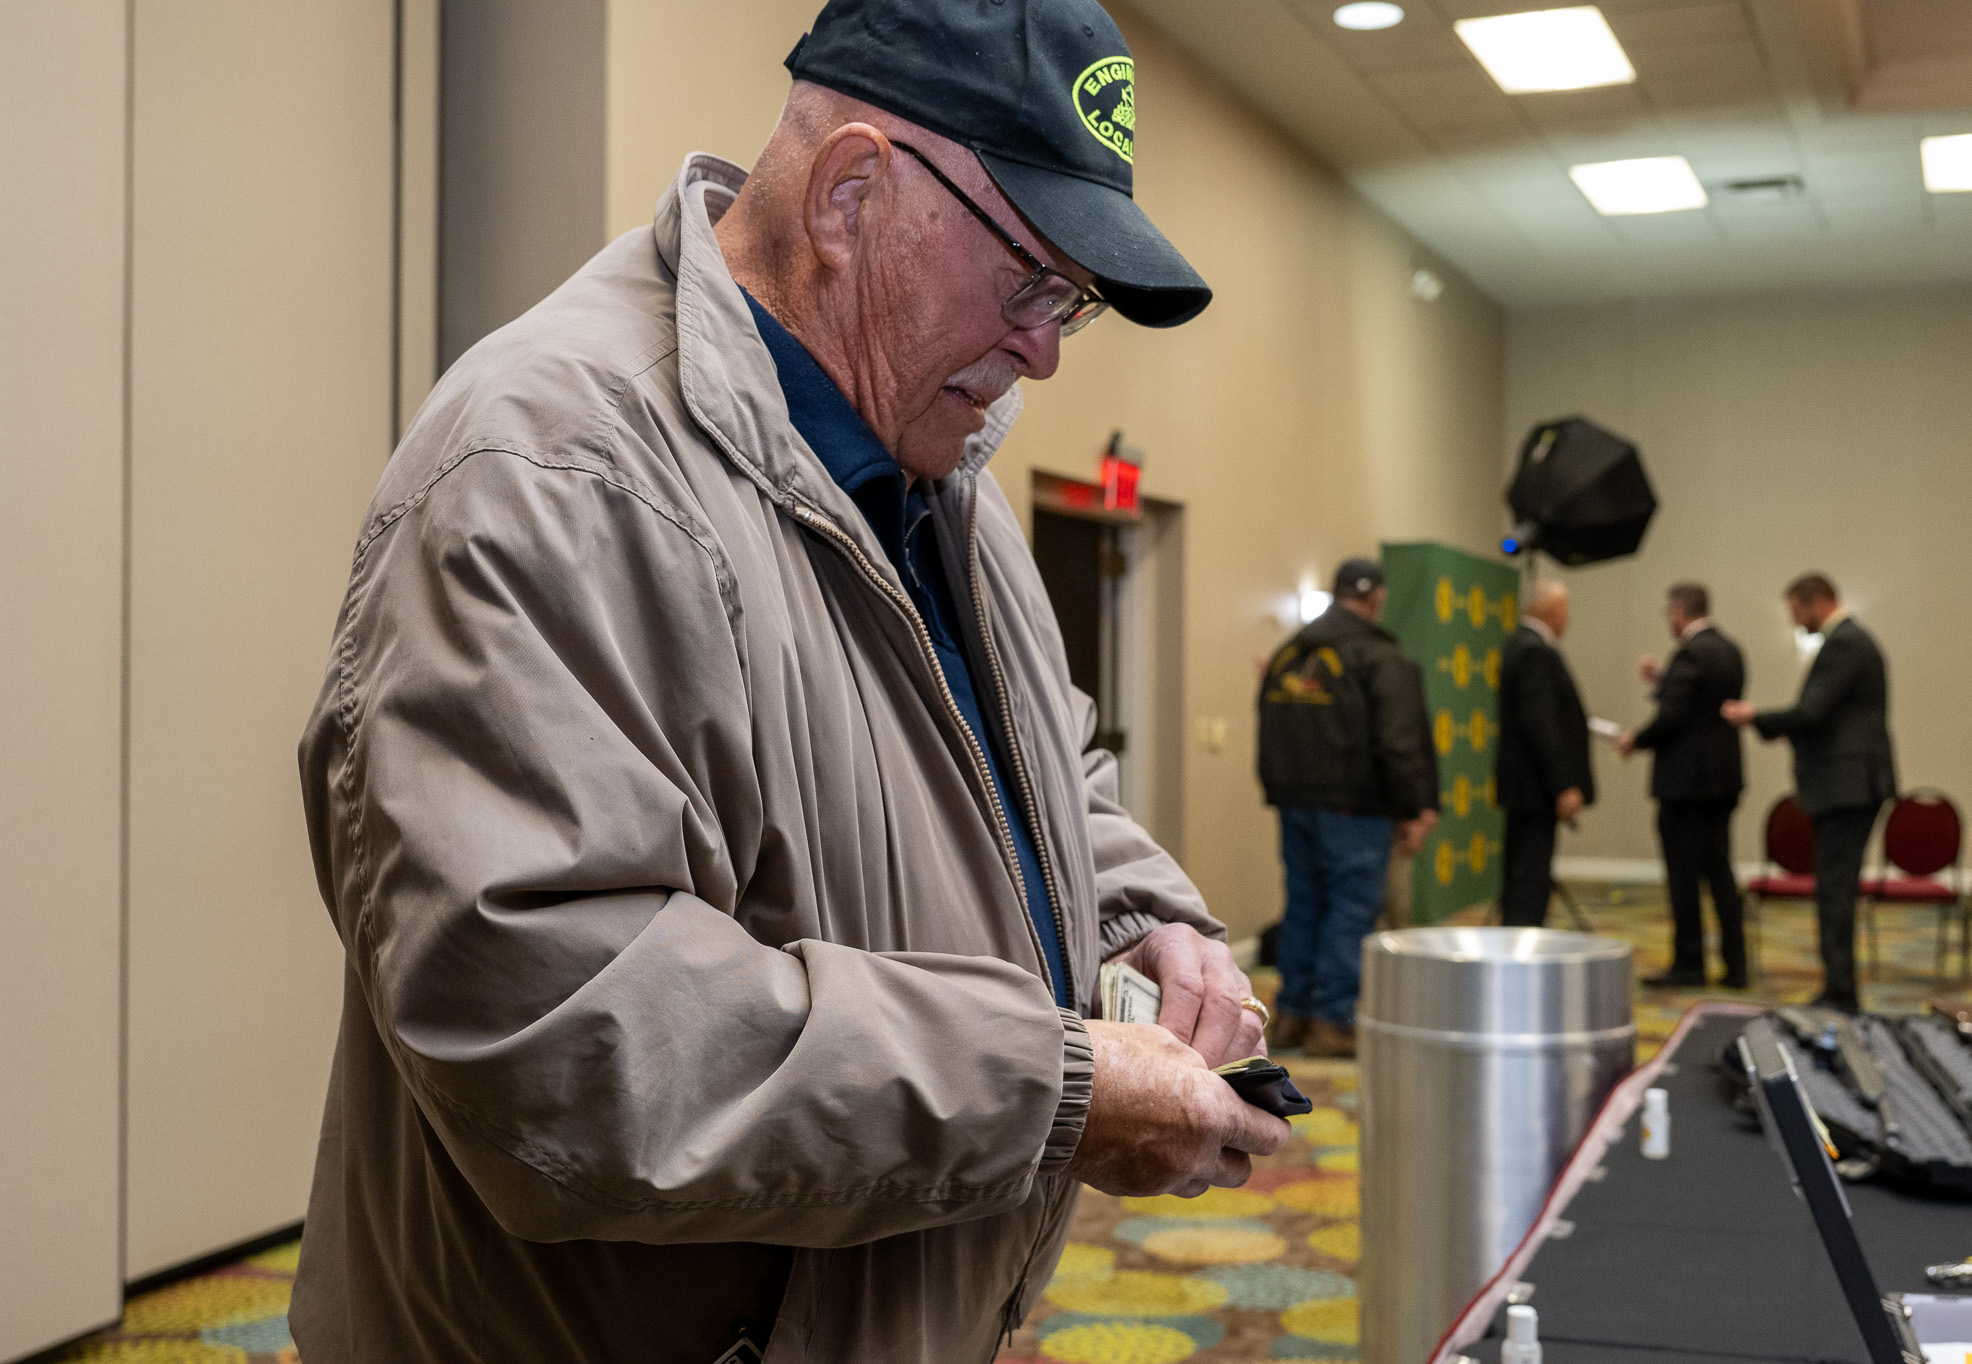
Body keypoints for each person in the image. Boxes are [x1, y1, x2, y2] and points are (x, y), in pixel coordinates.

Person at [289, 2, 1293, 1358]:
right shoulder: (552, 470)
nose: (1045, 350)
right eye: (1029, 283)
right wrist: (1050, 1091)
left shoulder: (947, 483)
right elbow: (556, 1027)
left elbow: (1040, 772)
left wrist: (1136, 919)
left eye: (1072, 302)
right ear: (849, 195)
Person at [1256, 558, 1438, 1057]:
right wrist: (1413, 808)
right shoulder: (1378, 656)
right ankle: (1334, 1021)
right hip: (1356, 807)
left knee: (1304, 906)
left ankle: (1292, 1015)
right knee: (1350, 911)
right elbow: (1399, 742)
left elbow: (1268, 728)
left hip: (1295, 803)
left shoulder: (1288, 653)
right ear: (1377, 598)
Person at [1724, 573, 1896, 1013]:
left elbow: (1811, 712)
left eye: (1797, 612)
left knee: (1835, 892)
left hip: (1848, 786)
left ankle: (1840, 993)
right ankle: (1838, 987)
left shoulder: (1845, 643)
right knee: (1835, 889)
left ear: (1816, 602)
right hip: (1851, 785)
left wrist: (1754, 717)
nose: (1795, 622)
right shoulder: (1852, 641)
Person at [1619, 583, 1749, 988]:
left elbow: (1674, 717)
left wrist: (1636, 740)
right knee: (1720, 870)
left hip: (1687, 786)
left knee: (1683, 876)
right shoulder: (1730, 650)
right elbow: (1702, 705)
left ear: (1679, 612)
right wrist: (1664, 682)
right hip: (1723, 781)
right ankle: (1736, 964)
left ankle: (1689, 963)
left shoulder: (1689, 653)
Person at [1495, 579, 1594, 927]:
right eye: (1566, 609)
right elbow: (1540, 724)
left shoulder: (1519, 645)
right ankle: (1524, 948)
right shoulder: (1535, 651)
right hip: (1534, 790)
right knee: (1529, 884)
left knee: (1522, 877)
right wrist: (1562, 784)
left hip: (1526, 788)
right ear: (1554, 610)